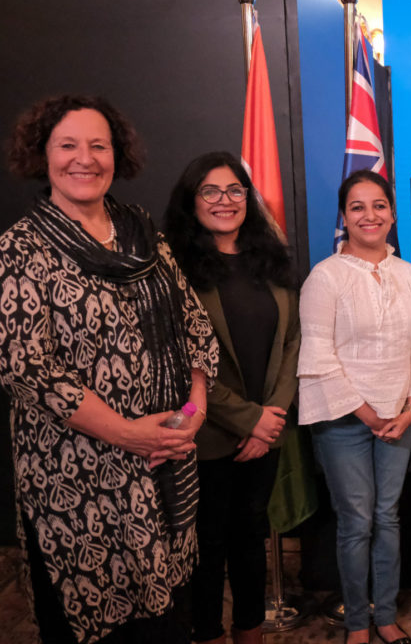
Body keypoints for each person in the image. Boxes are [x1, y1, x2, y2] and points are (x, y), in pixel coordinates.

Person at [0, 94, 218, 643]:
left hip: (163, 466)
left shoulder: (143, 232)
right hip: (76, 484)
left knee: (169, 623)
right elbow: (28, 368)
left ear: (117, 155)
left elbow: (194, 327)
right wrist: (129, 435)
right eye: (67, 145)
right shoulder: (20, 249)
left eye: (99, 145)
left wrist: (190, 415)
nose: (85, 158)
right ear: (41, 155)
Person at [164, 151, 300, 644]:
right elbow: (183, 361)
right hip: (207, 435)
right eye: (211, 191)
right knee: (206, 545)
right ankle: (207, 634)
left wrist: (271, 420)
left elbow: (291, 343)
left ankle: (250, 632)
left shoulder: (271, 260)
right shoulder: (172, 269)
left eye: (235, 191)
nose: (225, 201)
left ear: (248, 198)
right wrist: (248, 420)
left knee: (251, 540)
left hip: (266, 433)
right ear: (192, 200)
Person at [298, 170, 411, 644]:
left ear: (393, 214)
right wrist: (370, 415)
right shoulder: (326, 276)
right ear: (344, 216)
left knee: (388, 518)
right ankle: (358, 622)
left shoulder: (409, 274)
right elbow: (318, 357)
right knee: (356, 522)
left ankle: (386, 616)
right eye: (358, 207)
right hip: (344, 422)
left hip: (401, 418)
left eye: (379, 205)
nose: (369, 215)